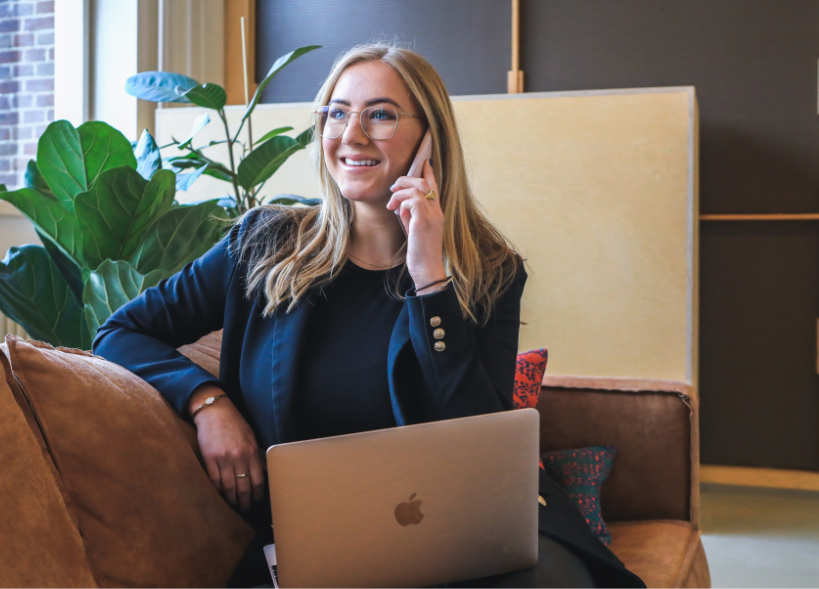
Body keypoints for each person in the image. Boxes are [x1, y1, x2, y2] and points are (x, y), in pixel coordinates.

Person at [93, 43, 645, 588]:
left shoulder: (490, 271)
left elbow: (482, 442)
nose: (351, 134)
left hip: (468, 532)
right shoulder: (263, 245)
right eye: (337, 112)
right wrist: (207, 402)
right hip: (320, 543)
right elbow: (119, 331)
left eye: (379, 114)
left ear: (430, 138)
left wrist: (431, 280)